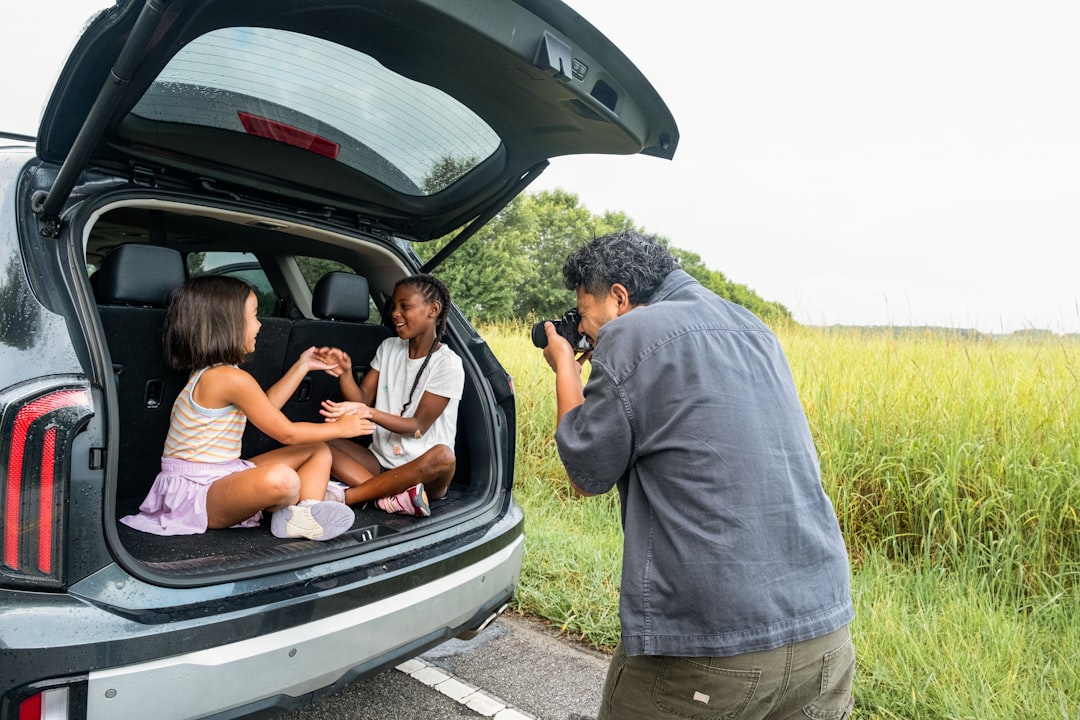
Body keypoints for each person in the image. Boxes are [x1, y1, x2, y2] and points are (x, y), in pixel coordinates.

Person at [540, 232, 855, 720]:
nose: (583, 328)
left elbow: (587, 474)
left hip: (711, 645)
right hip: (824, 631)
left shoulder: (632, 333)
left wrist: (566, 366)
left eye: (583, 314)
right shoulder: (752, 326)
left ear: (620, 298)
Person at [120, 275, 375, 542]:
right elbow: (286, 433)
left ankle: (305, 513)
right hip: (200, 493)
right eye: (254, 315)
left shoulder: (217, 373)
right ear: (228, 325)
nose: (259, 324)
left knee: (318, 451)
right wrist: (340, 428)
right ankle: (300, 508)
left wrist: (303, 365)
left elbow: (267, 407)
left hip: (223, 474)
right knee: (284, 479)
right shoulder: (228, 378)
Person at [316, 273, 463, 517]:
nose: (395, 313)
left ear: (433, 310)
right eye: (393, 306)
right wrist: (345, 373)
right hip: (378, 463)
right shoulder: (389, 347)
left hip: (423, 473)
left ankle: (347, 496)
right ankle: (389, 498)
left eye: (405, 306)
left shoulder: (447, 364)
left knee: (444, 457)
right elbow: (362, 400)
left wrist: (369, 413)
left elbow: (417, 427)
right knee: (318, 437)